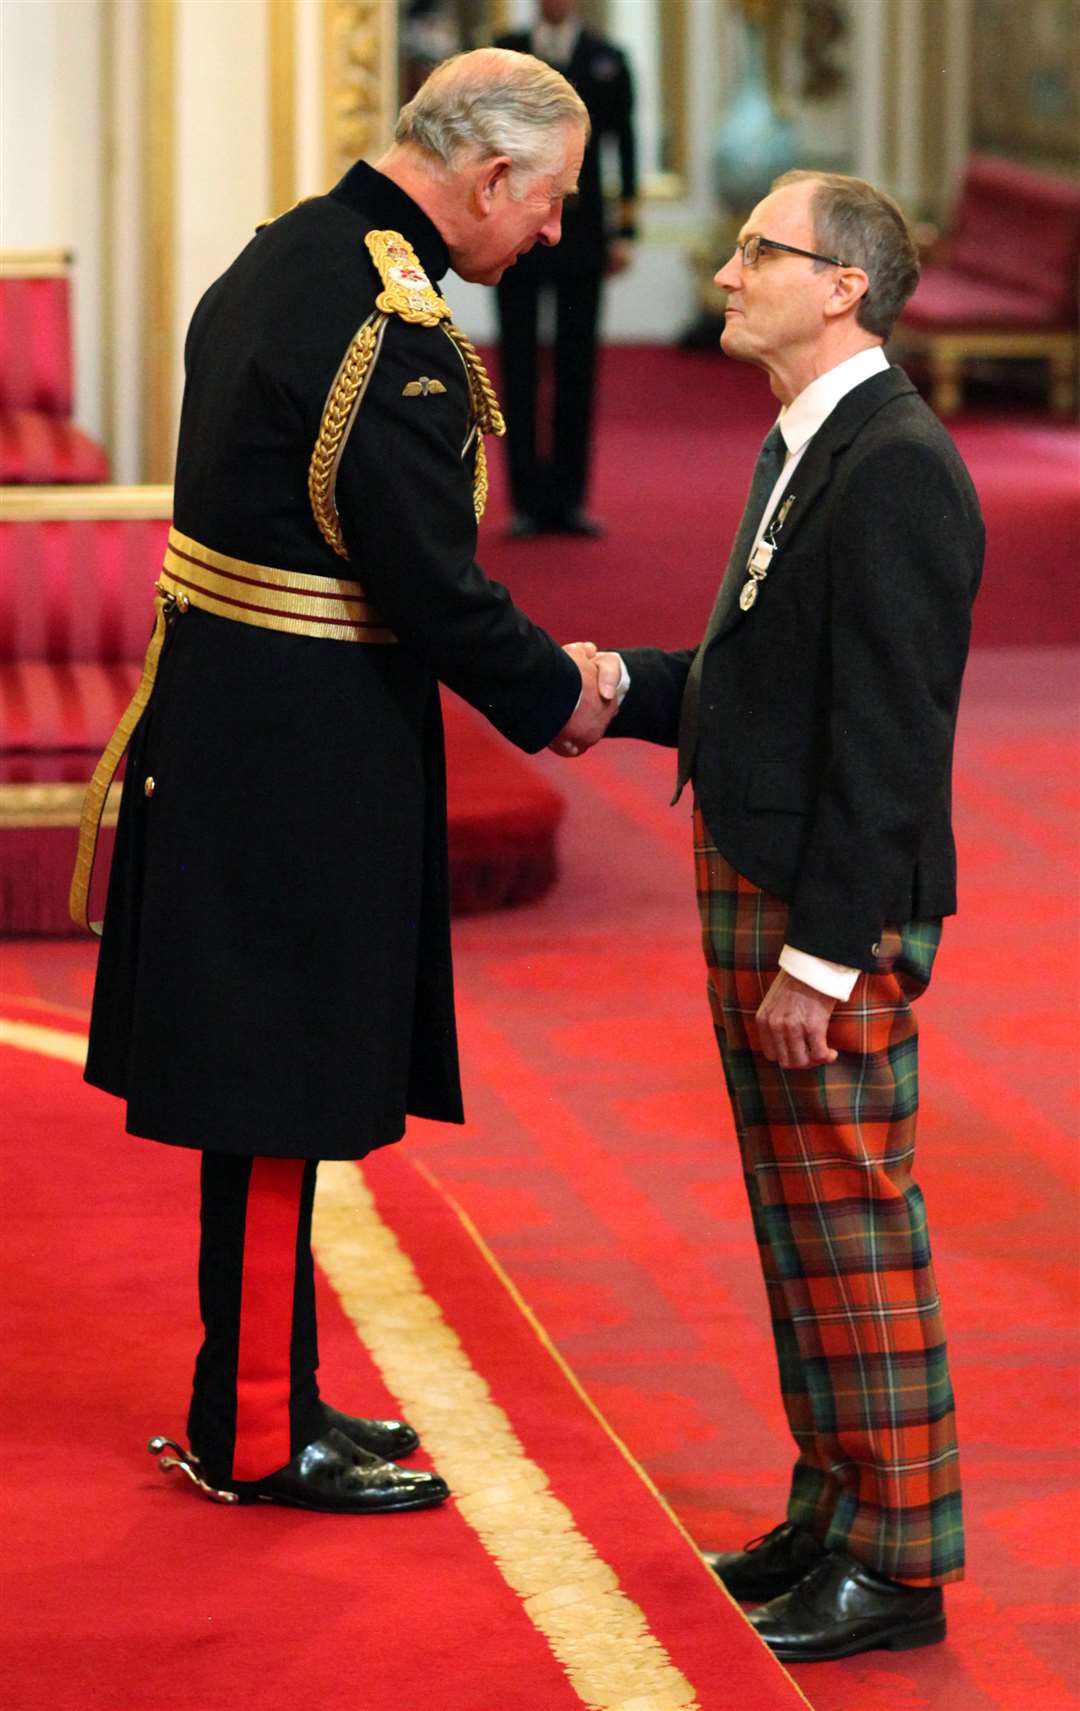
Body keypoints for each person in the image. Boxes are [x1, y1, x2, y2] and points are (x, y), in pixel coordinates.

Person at [73, 48, 619, 1516]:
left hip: (241, 719)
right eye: (552, 201)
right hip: (302, 748)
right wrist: (564, 696)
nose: (555, 233)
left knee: (278, 1074)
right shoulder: (401, 328)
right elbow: (433, 588)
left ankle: (269, 1383)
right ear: (493, 176)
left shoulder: (289, 252)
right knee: (278, 1078)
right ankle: (252, 1427)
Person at [561, 171, 982, 1661]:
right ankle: (834, 1506)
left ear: (842, 285)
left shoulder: (896, 466)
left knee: (856, 1222)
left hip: (825, 907)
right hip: (769, 868)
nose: (727, 273)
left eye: (759, 251)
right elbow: (762, 679)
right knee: (799, 1224)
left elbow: (889, 734)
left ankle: (900, 1554)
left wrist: (825, 949)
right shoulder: (810, 441)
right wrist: (624, 687)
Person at [495, 0, 637, 537]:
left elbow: (623, 143)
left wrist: (624, 229)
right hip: (518, 230)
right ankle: (526, 500)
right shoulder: (508, 54)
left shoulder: (606, 58)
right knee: (519, 363)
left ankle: (569, 499)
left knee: (578, 364)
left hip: (581, 234)